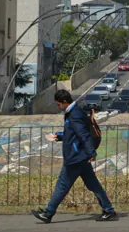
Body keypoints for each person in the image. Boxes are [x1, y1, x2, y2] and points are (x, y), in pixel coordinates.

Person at [31, 90, 116, 223]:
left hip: (75, 157)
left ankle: (48, 213)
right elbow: (73, 134)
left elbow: (84, 135)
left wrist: (91, 153)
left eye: (58, 104)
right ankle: (108, 210)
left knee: (62, 185)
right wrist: (59, 136)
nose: (58, 107)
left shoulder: (74, 114)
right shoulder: (73, 112)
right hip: (81, 156)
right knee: (93, 184)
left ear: (65, 102)